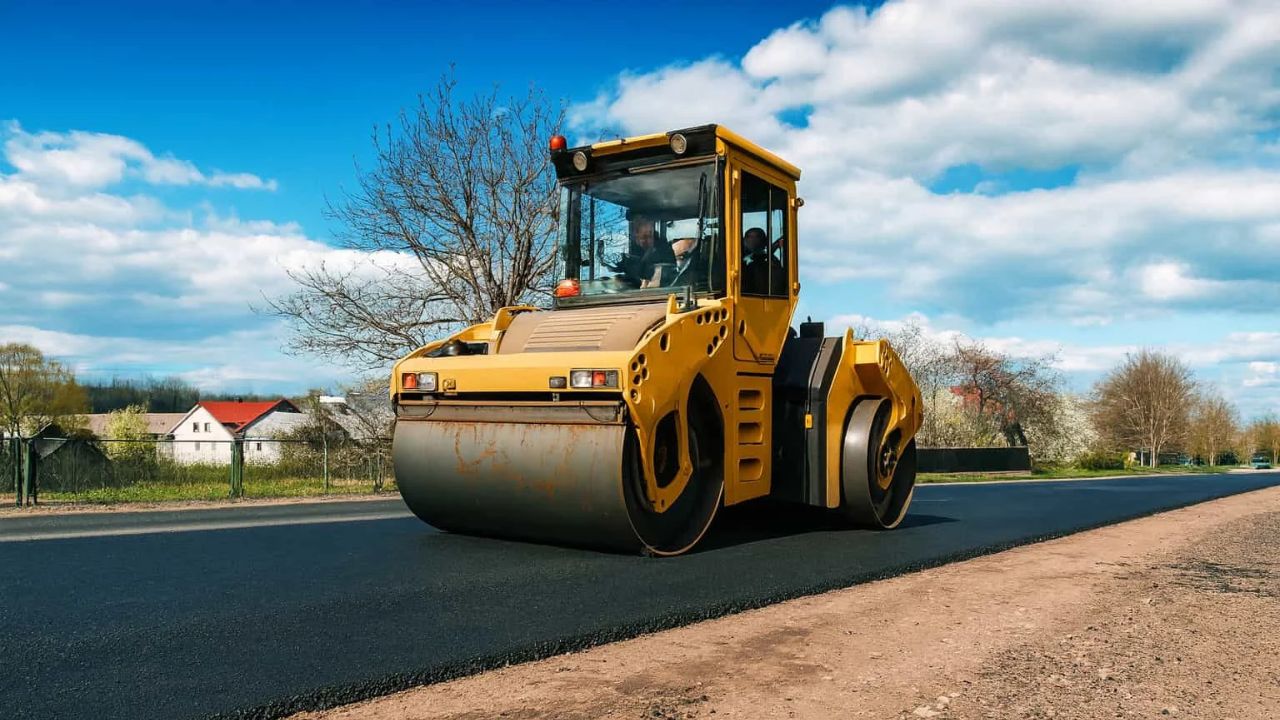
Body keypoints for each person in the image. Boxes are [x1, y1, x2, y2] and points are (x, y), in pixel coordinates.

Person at [741, 227, 784, 295]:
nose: (752, 241)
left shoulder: (772, 264)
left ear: (764, 242)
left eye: (757, 237)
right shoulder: (738, 261)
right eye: (749, 237)